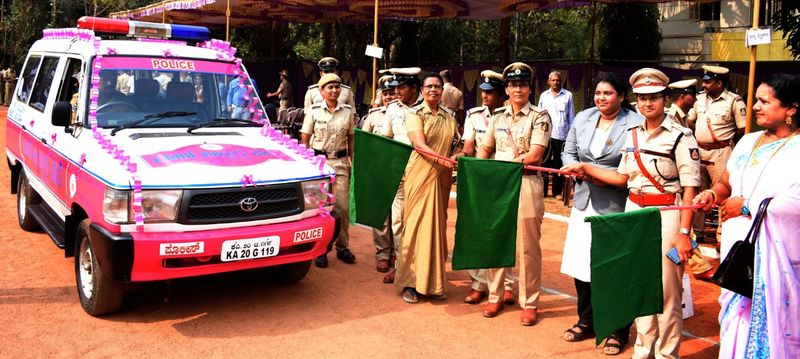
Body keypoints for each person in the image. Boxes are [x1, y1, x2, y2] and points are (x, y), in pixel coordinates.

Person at [563, 68, 701, 359]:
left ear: (665, 98)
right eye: (642, 98)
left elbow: (689, 188)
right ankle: (643, 348)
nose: (647, 104)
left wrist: (685, 233)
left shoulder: (681, 135)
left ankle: (666, 353)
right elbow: (622, 178)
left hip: (666, 213)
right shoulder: (632, 133)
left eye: (654, 97)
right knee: (637, 284)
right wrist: (586, 168)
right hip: (633, 212)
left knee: (666, 291)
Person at [693, 74, 800, 358]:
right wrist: (712, 195)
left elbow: (795, 204)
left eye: (764, 101)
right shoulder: (747, 142)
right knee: (736, 317)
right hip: (738, 247)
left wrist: (747, 206)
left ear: (791, 108)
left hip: (778, 258)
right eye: (756, 101)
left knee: (777, 321)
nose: (755, 107)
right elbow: (727, 183)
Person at [559, 72, 643, 355]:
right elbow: (568, 151)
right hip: (584, 200)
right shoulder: (583, 118)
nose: (601, 98)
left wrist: (596, 173)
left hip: (616, 204)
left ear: (621, 96)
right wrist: (575, 167)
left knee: (616, 267)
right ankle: (587, 321)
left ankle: (619, 330)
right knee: (582, 263)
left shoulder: (635, 123)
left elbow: (633, 165)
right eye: (597, 93)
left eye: (608, 93)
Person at [477, 62, 552, 326]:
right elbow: (485, 149)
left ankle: (529, 302)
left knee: (528, 247)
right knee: (495, 240)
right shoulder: (497, 117)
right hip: (498, 185)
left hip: (526, 183)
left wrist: (499, 168)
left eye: (522, 84)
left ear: (530, 88)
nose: (517, 89)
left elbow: (535, 154)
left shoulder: (540, 117)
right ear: (506, 88)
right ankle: (496, 295)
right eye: (512, 84)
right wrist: (480, 168)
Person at [451, 69, 516, 305]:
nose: (485, 96)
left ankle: (507, 285)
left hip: (502, 179)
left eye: (490, 93)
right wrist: (462, 154)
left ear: (501, 95)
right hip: (478, 178)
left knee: (502, 231)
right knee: (477, 229)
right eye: (483, 92)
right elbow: (470, 145)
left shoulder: (509, 115)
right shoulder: (474, 115)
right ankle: (478, 284)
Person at [395, 72, 457, 303]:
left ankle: (434, 283)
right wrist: (445, 160)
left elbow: (454, 146)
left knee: (437, 227)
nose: (433, 90)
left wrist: (457, 156)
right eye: (429, 86)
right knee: (417, 227)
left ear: (442, 91)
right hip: (420, 175)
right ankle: (411, 283)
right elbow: (419, 145)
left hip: (442, 177)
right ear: (422, 91)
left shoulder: (450, 117)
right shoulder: (414, 115)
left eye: (437, 87)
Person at [299, 73, 357, 268]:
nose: (334, 90)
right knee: (320, 209)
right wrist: (307, 163)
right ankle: (321, 249)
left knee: (342, 208)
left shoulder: (347, 112)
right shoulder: (314, 111)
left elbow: (351, 138)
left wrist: (352, 159)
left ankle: (343, 247)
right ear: (322, 91)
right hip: (319, 164)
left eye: (337, 87)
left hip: (340, 163)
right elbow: (305, 138)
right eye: (329, 87)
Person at [686, 65, 746, 244]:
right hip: (699, 151)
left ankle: (722, 233)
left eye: (708, 82)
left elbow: (742, 128)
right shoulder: (699, 100)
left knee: (722, 192)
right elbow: (690, 121)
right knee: (698, 191)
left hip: (722, 152)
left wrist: (726, 143)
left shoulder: (733, 101)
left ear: (719, 83)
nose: (704, 85)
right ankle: (698, 232)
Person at [668, 78, 715, 280]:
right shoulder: (671, 117)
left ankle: (698, 265)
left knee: (681, 226)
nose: (695, 98)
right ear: (683, 96)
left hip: (680, 178)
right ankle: (698, 266)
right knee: (681, 228)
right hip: (673, 181)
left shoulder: (682, 117)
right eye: (692, 95)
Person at [380, 67, 422, 284]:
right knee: (397, 221)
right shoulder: (392, 109)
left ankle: (422, 268)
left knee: (419, 221)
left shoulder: (427, 108)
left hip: (421, 172)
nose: (397, 92)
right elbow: (386, 137)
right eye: (395, 88)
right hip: (398, 170)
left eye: (402, 87)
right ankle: (401, 266)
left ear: (414, 88)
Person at [361, 74, 396, 273]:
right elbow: (365, 141)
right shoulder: (373, 116)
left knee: (398, 217)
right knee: (381, 216)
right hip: (378, 172)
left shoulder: (406, 114)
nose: (389, 97)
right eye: (386, 94)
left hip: (399, 171)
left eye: (392, 93)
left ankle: (396, 253)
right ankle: (383, 253)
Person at [538, 70, 575, 198]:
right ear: (549, 82)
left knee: (558, 164)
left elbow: (571, 117)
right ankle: (542, 191)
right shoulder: (544, 96)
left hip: (561, 135)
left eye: (558, 80)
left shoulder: (568, 95)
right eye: (553, 80)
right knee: (544, 162)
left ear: (561, 81)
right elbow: (539, 115)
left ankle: (557, 192)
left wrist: (571, 136)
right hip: (546, 136)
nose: (555, 82)